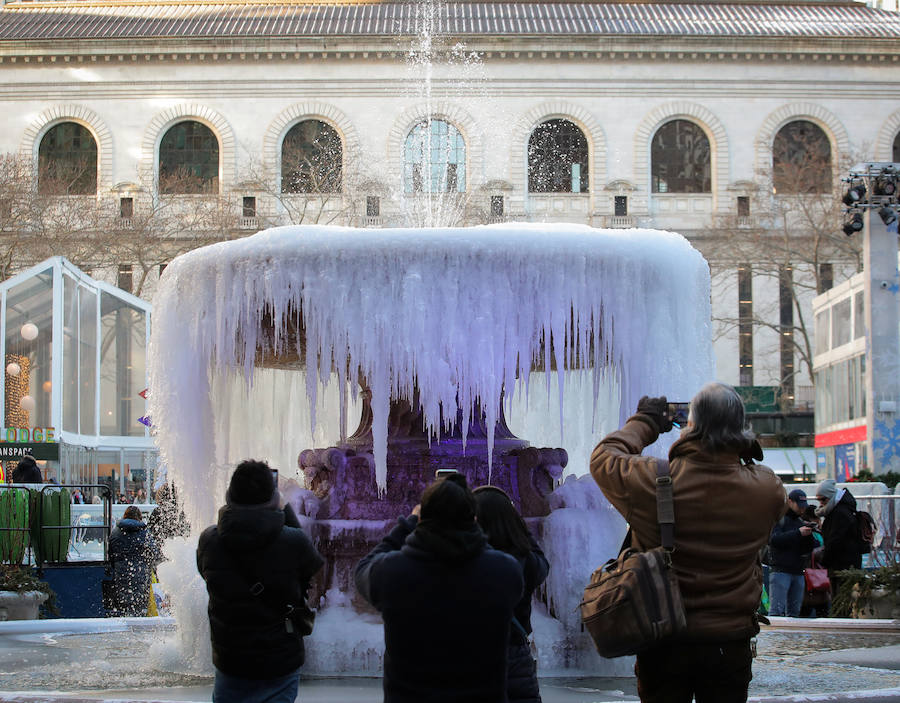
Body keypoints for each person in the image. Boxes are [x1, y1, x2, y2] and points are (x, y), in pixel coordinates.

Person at [590, 384, 786, 703]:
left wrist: (645, 421)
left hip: (665, 638)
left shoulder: (654, 480)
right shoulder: (767, 489)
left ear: (691, 426)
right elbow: (758, 472)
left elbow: (604, 459)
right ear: (741, 428)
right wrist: (738, 445)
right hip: (730, 642)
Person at [354, 472, 524, 703]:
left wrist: (407, 525)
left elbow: (363, 569)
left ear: (423, 518)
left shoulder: (394, 572)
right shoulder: (504, 572)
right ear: (473, 518)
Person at [197, 459, 323, 703]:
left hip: (230, 658)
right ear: (272, 497)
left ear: (229, 496)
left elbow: (206, 575)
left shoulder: (209, 542)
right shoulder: (292, 543)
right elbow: (311, 573)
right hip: (280, 661)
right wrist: (283, 508)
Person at [473, 485, 549, 703]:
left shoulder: (467, 559)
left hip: (472, 654)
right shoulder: (526, 561)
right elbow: (540, 561)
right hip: (516, 654)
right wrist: (517, 526)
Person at [768, 489, 816, 617]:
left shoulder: (799, 522)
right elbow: (774, 540)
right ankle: (775, 636)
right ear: (790, 501)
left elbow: (808, 548)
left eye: (803, 507)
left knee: (794, 613)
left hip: (798, 571)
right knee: (777, 612)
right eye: (799, 506)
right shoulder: (778, 518)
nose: (802, 510)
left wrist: (810, 536)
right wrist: (798, 533)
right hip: (781, 570)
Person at [108, 505, 162, 616]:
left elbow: (111, 555)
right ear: (139, 517)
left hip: (122, 574)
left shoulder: (115, 532)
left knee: (126, 606)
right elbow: (155, 553)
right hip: (141, 574)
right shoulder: (145, 533)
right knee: (140, 607)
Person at [815, 478, 863, 600]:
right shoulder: (843, 509)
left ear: (831, 496)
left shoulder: (839, 513)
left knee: (840, 601)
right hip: (845, 564)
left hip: (841, 566)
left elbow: (835, 540)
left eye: (823, 499)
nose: (821, 503)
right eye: (818, 499)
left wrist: (824, 559)